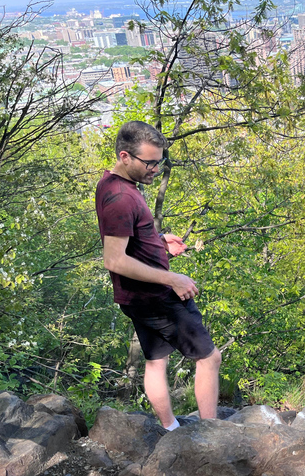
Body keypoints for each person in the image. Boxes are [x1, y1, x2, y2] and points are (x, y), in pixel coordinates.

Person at [95, 121, 222, 430]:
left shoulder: (114, 183)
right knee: (209, 358)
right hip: (154, 297)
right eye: (149, 162)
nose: (155, 168)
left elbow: (127, 239)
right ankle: (214, 435)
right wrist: (171, 278)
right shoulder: (121, 197)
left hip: (135, 296)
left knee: (156, 361)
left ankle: (170, 429)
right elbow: (113, 259)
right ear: (125, 156)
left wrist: (159, 241)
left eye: (159, 160)